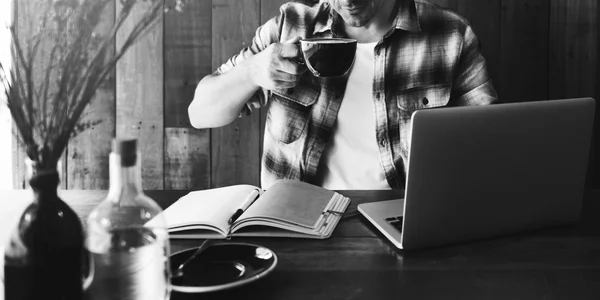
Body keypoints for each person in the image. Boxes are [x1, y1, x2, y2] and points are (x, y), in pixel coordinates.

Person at [188, 0, 498, 190]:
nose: (348, 1)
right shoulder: (290, 27)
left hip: (405, 221)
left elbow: (490, 146)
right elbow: (200, 113)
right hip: (296, 226)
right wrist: (252, 72)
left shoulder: (451, 35)